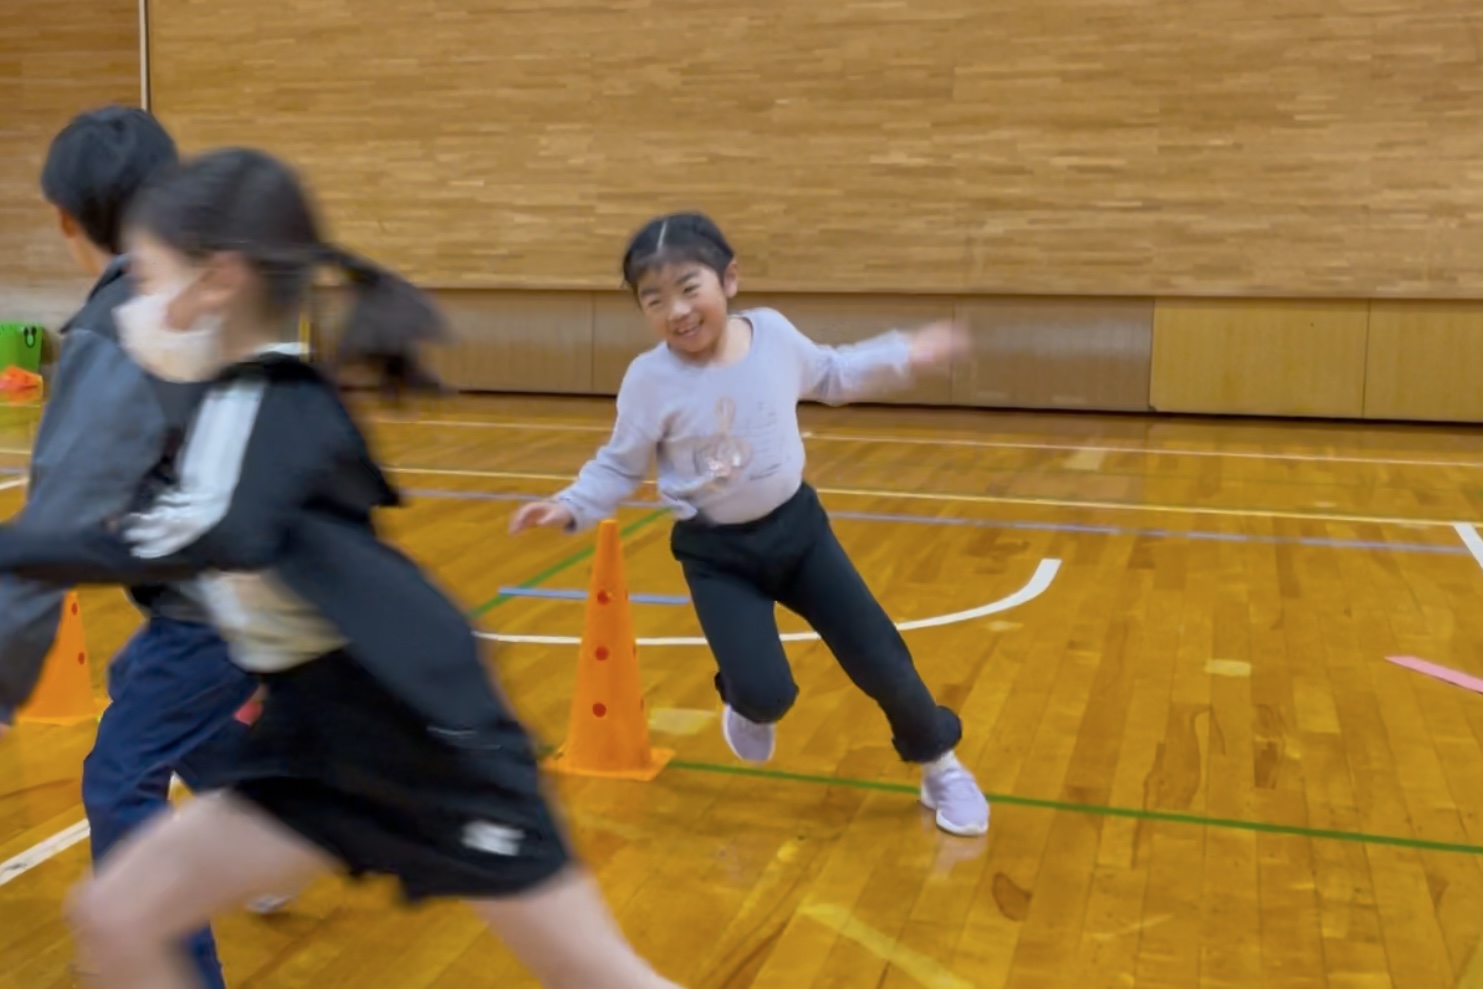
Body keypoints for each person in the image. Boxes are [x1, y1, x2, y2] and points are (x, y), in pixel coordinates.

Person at [0, 147, 684, 989]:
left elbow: (201, 538)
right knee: (114, 914)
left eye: (147, 277)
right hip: (314, 740)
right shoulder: (225, 398)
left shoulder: (281, 402)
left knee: (600, 976)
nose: (131, 306)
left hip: (431, 741)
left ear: (218, 280)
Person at [509, 211, 990, 838]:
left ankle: (940, 766)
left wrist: (906, 353)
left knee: (883, 660)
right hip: (718, 557)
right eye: (654, 300)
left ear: (729, 279)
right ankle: (747, 702)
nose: (676, 310)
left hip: (800, 535)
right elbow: (619, 464)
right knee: (767, 694)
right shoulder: (649, 380)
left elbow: (835, 372)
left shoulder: (773, 336)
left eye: (689, 288)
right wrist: (572, 503)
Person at [0, 106, 282, 989]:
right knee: (149, 688)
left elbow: (61, 521)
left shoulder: (118, 331)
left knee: (120, 775)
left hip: (224, 605)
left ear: (63, 218)